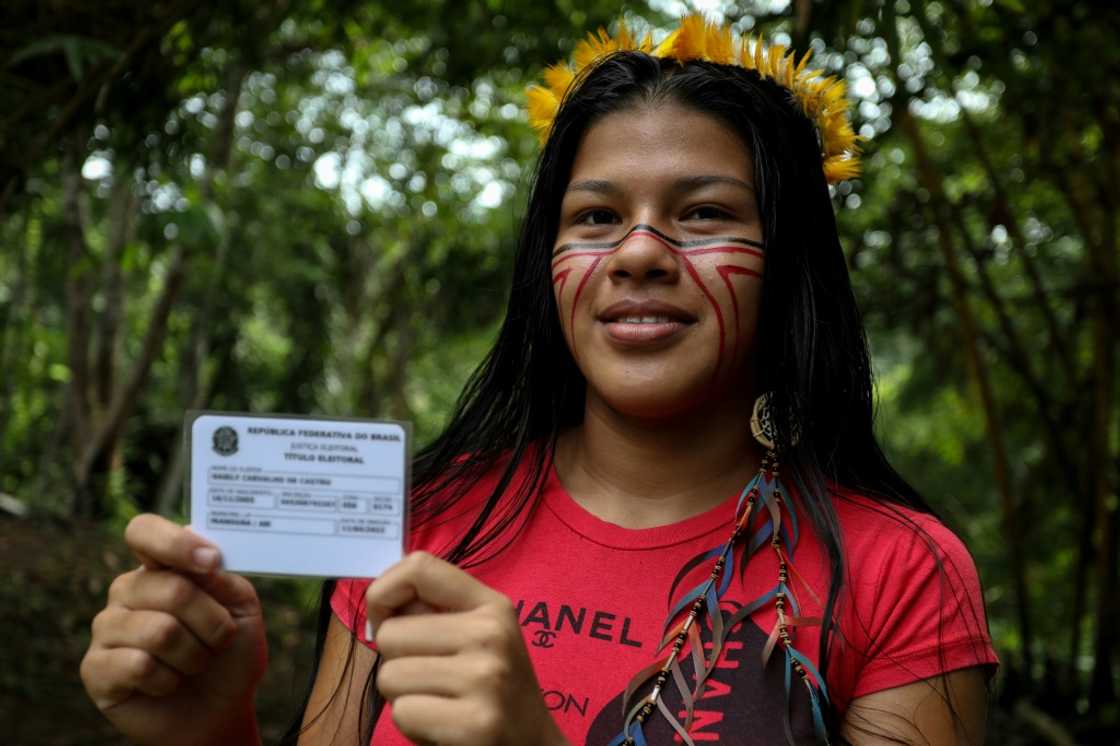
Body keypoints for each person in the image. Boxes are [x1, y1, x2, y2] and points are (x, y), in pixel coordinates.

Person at [80, 15, 998, 745]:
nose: (638, 251)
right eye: (597, 215)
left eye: (705, 211)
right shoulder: (426, 522)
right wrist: (209, 731)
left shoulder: (904, 573)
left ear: (789, 261)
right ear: (548, 265)